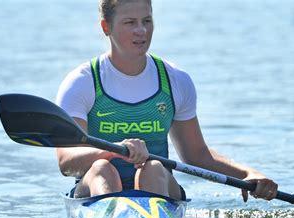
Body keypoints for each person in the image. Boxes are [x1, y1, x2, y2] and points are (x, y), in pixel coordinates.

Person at [56, 0, 278, 202]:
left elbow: (196, 155)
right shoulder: (82, 82)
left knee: (153, 167)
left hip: (157, 187)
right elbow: (66, 162)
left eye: (147, 21)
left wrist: (248, 174)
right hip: (95, 189)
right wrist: (116, 151)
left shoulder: (175, 81)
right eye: (130, 22)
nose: (141, 30)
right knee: (102, 168)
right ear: (106, 27)